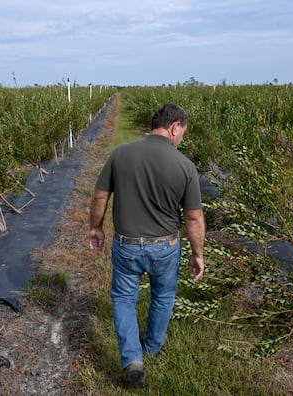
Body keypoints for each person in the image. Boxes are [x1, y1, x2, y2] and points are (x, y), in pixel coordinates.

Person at [89, 103, 205, 388]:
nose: (181, 139)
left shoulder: (121, 154)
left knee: (124, 298)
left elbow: (100, 196)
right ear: (174, 126)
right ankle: (152, 346)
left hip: (126, 245)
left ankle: (132, 359)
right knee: (163, 296)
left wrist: (95, 228)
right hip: (164, 247)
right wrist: (198, 253)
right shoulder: (185, 166)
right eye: (182, 133)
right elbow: (193, 216)